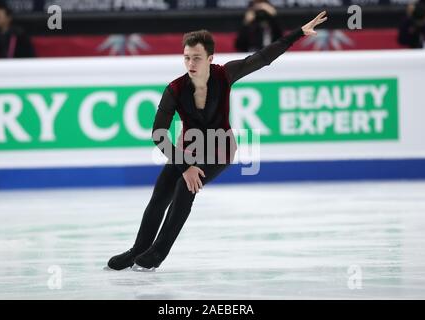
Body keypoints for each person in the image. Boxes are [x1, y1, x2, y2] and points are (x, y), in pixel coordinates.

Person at [107, 11, 328, 271]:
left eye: (197, 58)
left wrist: (299, 33)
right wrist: (187, 165)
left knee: (184, 188)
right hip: (188, 151)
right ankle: (139, 249)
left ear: (210, 58)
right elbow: (158, 132)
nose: (191, 63)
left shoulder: (225, 74)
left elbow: (263, 58)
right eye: (187, 57)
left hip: (220, 150)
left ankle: (157, 253)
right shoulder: (175, 89)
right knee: (161, 193)